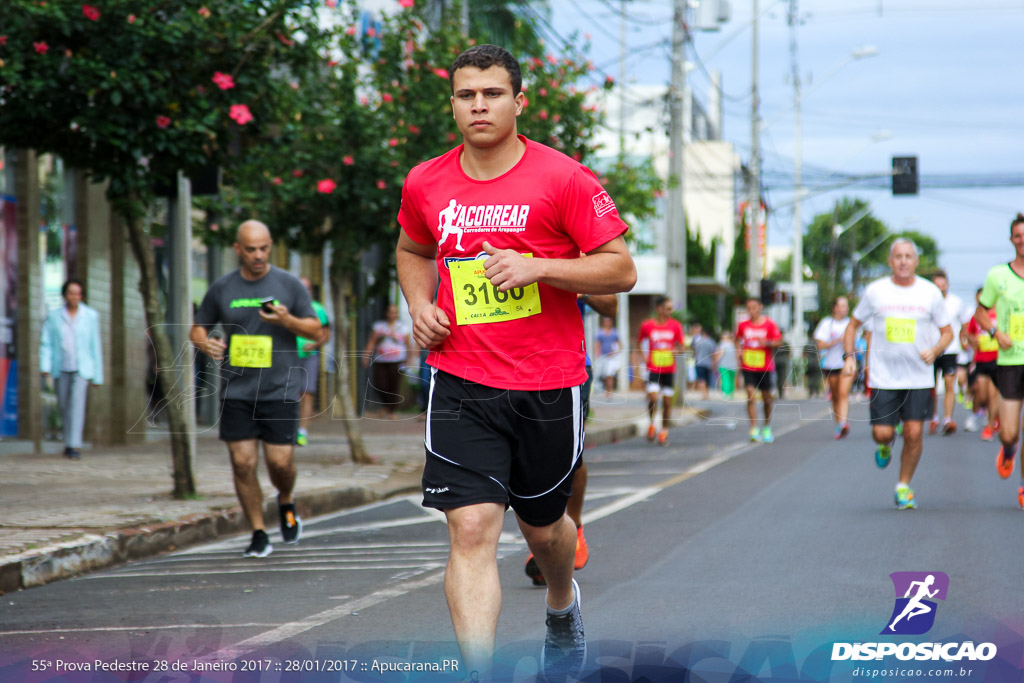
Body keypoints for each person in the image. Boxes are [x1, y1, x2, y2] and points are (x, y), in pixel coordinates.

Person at [394, 44, 636, 681]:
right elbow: (412, 247)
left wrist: (540, 265)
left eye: (492, 93)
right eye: (466, 94)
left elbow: (620, 268)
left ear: (518, 101)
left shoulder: (564, 178)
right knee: (471, 528)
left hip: (549, 383)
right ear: (452, 104)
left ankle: (562, 602)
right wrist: (419, 303)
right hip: (461, 377)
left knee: (544, 529)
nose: (478, 105)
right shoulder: (426, 181)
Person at [190, 220, 322, 558]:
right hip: (237, 391)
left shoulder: (289, 284)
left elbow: (316, 331)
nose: (258, 255)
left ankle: (286, 499)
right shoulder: (222, 287)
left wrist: (286, 321)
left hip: (279, 388)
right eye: (251, 249)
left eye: (264, 248)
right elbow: (198, 329)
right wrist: (208, 345)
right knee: (242, 462)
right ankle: (258, 531)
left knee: (280, 462)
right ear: (238, 249)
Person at [843, 238, 952, 510]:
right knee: (882, 432)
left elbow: (947, 332)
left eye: (908, 256)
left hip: (918, 376)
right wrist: (849, 358)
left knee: (914, 433)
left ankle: (903, 487)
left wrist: (936, 349)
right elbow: (853, 325)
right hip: (883, 376)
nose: (903, 261)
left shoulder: (930, 293)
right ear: (890, 261)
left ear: (916, 261)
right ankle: (885, 445)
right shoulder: (876, 291)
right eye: (898, 256)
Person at [525, 293, 618, 587]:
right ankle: (543, 539)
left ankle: (573, 527)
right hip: (509, 367)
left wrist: (578, 284)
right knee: (525, 458)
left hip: (566, 366)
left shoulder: (572, 249)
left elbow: (610, 303)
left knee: (567, 454)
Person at [975, 213, 1024, 509]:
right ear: (1011, 240)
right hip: (1009, 362)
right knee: (1010, 432)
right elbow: (981, 312)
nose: (1023, 241)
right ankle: (1008, 449)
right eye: (1018, 236)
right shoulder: (997, 276)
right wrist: (995, 331)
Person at [40, 279, 104, 460]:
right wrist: (44, 366)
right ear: (64, 295)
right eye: (71, 293)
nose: (74, 297)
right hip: (61, 367)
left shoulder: (90, 316)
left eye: (77, 293)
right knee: (63, 405)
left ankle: (73, 445)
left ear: (81, 295)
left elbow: (95, 345)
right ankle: (69, 441)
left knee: (76, 405)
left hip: (82, 369)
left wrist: (97, 376)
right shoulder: (53, 317)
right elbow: (47, 343)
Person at [637, 296, 686, 446]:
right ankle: (652, 424)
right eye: (668, 308)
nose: (670, 311)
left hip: (669, 369)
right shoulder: (647, 326)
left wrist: (676, 350)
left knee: (666, 401)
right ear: (659, 309)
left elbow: (681, 345)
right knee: (653, 398)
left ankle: (664, 430)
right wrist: (644, 357)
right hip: (653, 368)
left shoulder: (675, 326)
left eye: (671, 309)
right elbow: (639, 341)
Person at [736, 297, 782, 443]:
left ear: (760, 307)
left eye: (754, 307)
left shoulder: (769, 324)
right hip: (748, 365)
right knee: (750, 395)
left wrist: (768, 342)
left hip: (765, 366)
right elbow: (737, 339)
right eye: (749, 308)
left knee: (767, 398)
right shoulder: (743, 325)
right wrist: (739, 351)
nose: (751, 311)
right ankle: (753, 427)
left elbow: (779, 341)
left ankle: (767, 426)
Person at [928, 271, 966, 435]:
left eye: (943, 285)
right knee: (932, 386)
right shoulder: (927, 302)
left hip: (950, 349)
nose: (941, 289)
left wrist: (963, 340)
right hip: (930, 349)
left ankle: (948, 419)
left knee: (950, 384)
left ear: (948, 285)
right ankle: (934, 417)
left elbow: (964, 324)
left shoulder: (956, 302)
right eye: (937, 286)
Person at [362, 304, 416, 418]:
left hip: (397, 360)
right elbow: (372, 342)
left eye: (395, 312)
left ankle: (392, 410)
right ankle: (387, 406)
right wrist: (366, 356)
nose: (392, 314)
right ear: (386, 313)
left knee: (394, 386)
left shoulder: (403, 328)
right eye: (390, 312)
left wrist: (409, 360)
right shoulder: (379, 327)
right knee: (379, 384)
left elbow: (408, 345)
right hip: (380, 360)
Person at [296, 277, 330, 446]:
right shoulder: (288, 307)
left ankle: (302, 431)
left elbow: (326, 334)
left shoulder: (318, 309)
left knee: (306, 393)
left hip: (310, 356)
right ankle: (288, 428)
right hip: (289, 356)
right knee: (289, 394)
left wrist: (315, 344)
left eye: (307, 288)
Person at [814, 296, 853, 439]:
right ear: (835, 308)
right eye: (842, 306)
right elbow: (820, 344)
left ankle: (843, 423)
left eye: (846, 305)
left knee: (843, 393)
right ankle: (838, 424)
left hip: (847, 363)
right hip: (830, 364)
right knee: (835, 397)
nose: (845, 309)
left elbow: (857, 343)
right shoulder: (826, 323)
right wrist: (837, 340)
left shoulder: (851, 323)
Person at [964, 288, 999, 439]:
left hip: (998, 360)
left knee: (993, 395)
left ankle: (989, 427)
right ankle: (977, 414)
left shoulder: (1000, 314)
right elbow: (969, 333)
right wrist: (973, 341)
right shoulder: (977, 317)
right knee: (981, 393)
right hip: (981, 359)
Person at [594, 315, 622, 398]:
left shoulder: (614, 333)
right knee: (605, 375)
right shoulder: (600, 333)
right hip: (603, 356)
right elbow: (597, 344)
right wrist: (597, 353)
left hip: (611, 357)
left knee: (610, 374)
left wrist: (615, 352)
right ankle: (607, 389)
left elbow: (620, 345)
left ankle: (610, 391)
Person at [690, 322, 717, 401]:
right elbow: (714, 353)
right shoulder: (711, 342)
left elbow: (694, 352)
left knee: (702, 379)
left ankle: (703, 394)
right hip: (708, 363)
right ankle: (707, 393)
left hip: (699, 362)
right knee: (707, 379)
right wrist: (714, 362)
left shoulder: (698, 342)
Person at [715, 331, 739, 400]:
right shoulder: (734, 345)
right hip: (733, 365)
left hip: (724, 365)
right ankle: (731, 393)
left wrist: (716, 360)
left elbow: (720, 354)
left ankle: (726, 393)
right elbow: (737, 355)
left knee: (725, 379)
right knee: (731, 380)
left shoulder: (723, 345)